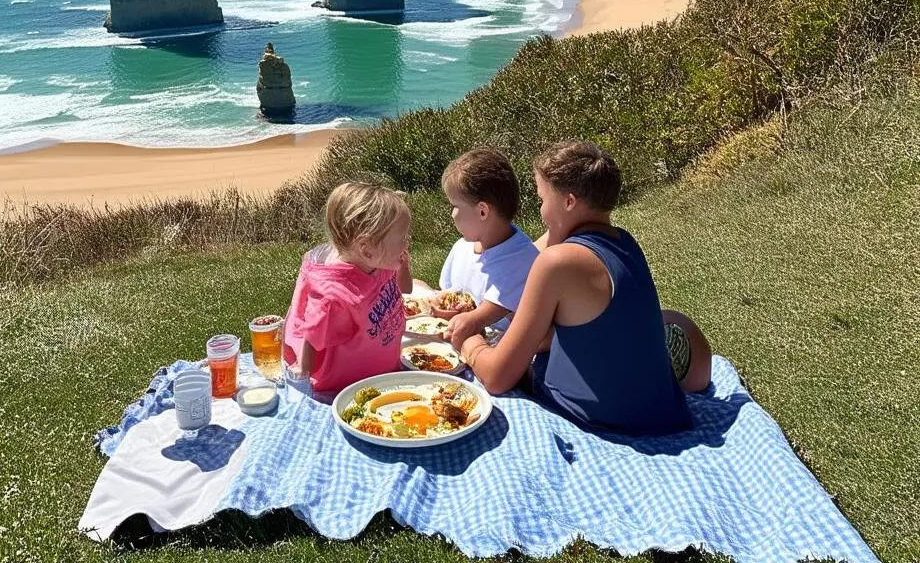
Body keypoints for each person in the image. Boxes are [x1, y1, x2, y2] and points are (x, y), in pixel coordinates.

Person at [452, 141, 709, 436]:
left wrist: (470, 342)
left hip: (605, 419)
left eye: (542, 200)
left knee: (509, 353)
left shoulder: (558, 262)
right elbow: (545, 242)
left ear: (569, 202)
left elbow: (497, 377)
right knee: (668, 318)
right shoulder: (624, 243)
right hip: (662, 412)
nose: (541, 211)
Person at [282, 181, 413, 397]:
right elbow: (312, 339)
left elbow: (405, 289)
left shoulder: (380, 264)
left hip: (384, 373)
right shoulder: (336, 297)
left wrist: (403, 267)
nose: (407, 243)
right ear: (366, 248)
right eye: (402, 238)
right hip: (346, 388)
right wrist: (302, 382)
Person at [434, 148, 540, 343]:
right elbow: (448, 296)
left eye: (455, 206)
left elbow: (481, 317)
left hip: (495, 355)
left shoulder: (524, 261)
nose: (452, 215)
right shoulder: (462, 248)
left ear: (483, 211)